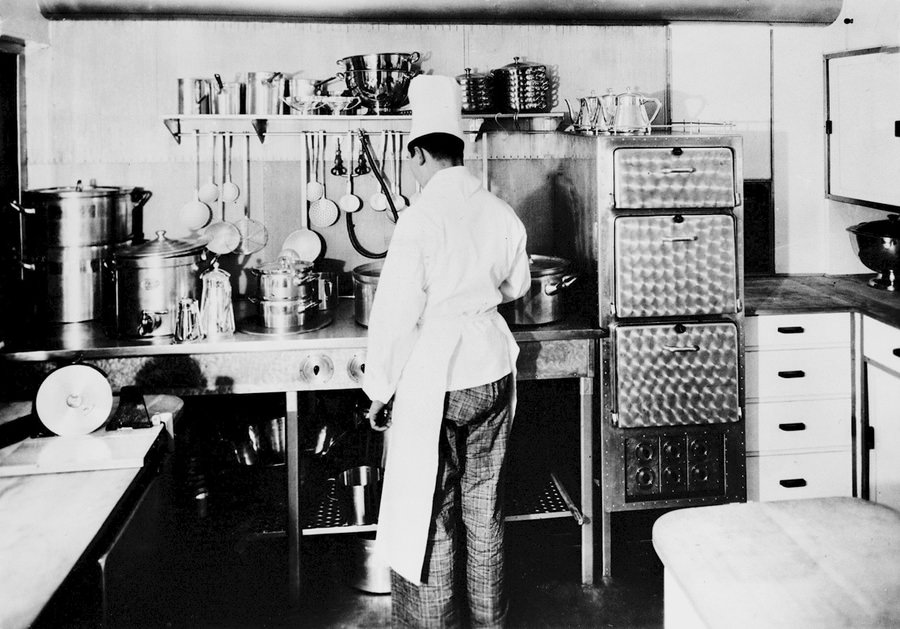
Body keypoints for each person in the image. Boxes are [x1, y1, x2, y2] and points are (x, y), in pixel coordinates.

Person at [362, 74, 531, 628]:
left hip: (439, 379)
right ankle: (489, 621)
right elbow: (518, 286)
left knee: (429, 513)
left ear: (417, 153)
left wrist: (379, 388)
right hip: (493, 370)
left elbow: (394, 316)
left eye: (411, 160)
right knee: (485, 510)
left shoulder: (419, 218)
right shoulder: (498, 210)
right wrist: (478, 301)